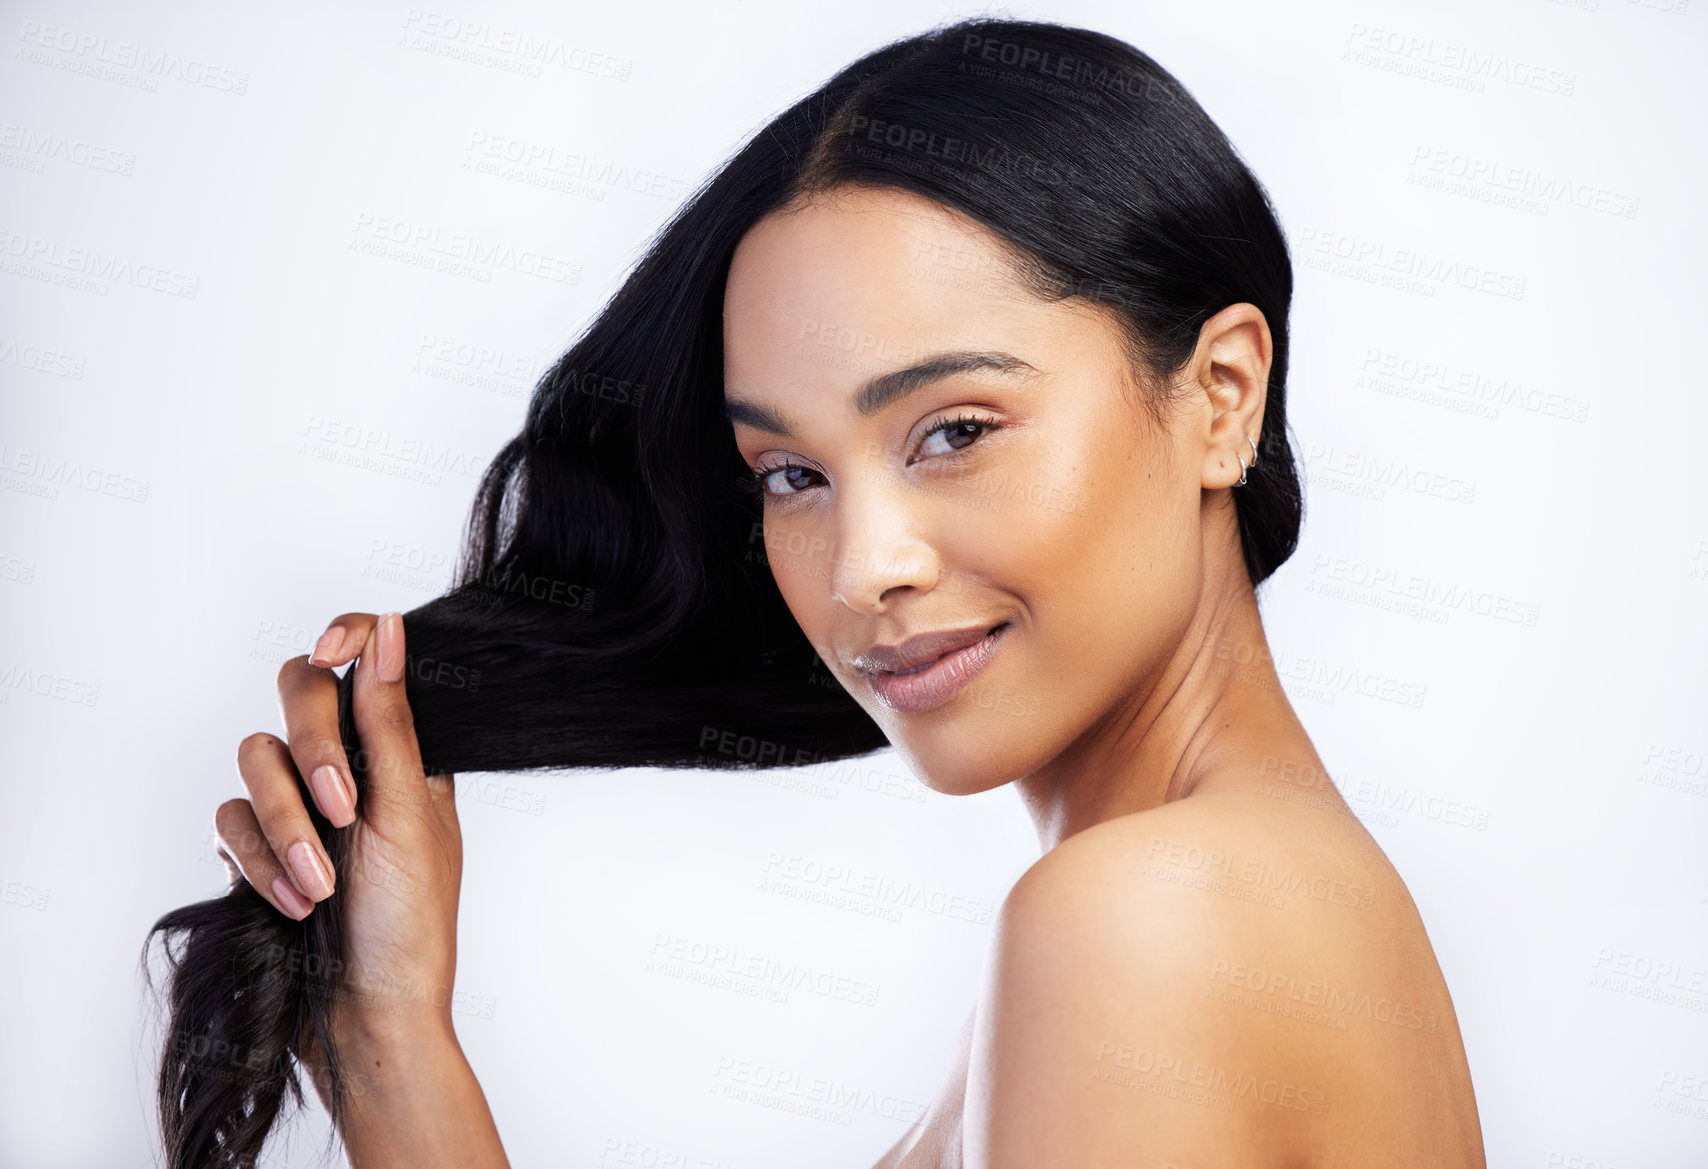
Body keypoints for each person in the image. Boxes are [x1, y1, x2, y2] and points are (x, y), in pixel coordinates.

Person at [153, 17, 1487, 1168]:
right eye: (791, 473)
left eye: (955, 430)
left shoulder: (1147, 916)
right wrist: (388, 1036)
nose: (862, 567)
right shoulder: (1269, 895)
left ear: (1219, 395)